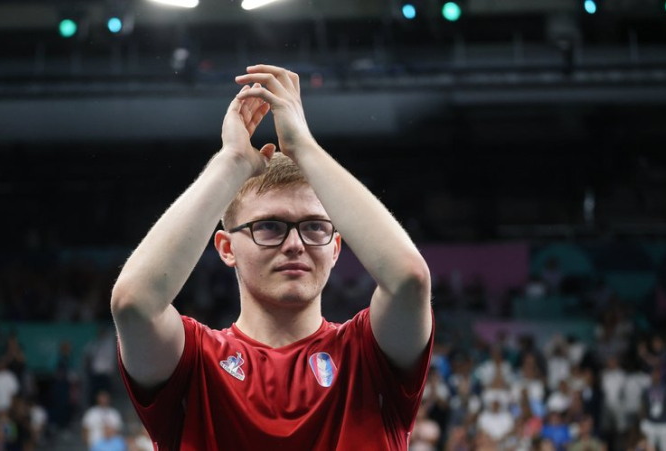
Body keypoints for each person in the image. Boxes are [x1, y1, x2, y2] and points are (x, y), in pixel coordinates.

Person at [111, 64, 434, 449]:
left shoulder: (367, 353)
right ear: (227, 248)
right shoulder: (195, 361)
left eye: (315, 227)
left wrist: (305, 148)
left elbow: (409, 280)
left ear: (335, 248)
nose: (295, 244)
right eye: (269, 227)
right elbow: (133, 303)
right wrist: (231, 163)